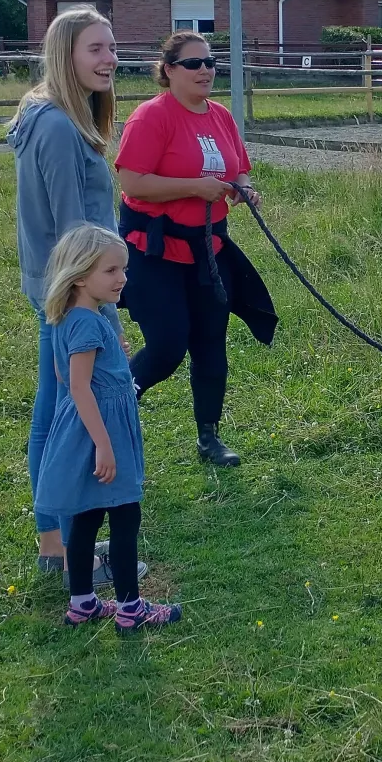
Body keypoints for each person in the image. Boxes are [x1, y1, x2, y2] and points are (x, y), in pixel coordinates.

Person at [9, 6, 138, 585]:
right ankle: (63, 547)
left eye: (112, 47)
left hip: (59, 286)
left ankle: (55, 539)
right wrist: (104, 312)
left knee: (53, 406)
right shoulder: (59, 126)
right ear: (65, 55)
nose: (110, 59)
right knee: (61, 414)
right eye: (96, 49)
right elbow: (70, 231)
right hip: (70, 292)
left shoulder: (52, 115)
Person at [114, 31, 276, 466]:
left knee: (210, 343)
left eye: (209, 63)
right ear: (169, 70)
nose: (205, 70)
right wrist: (195, 188)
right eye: (193, 63)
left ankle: (209, 437)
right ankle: (107, 413)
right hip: (154, 251)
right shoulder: (151, 117)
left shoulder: (220, 116)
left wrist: (243, 189)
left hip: (208, 249)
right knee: (167, 345)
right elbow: (132, 182)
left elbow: (239, 168)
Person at [35, 225, 181, 631]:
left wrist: (111, 356)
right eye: (112, 270)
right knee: (125, 516)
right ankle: (131, 609)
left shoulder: (70, 318)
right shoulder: (87, 324)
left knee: (87, 515)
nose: (123, 278)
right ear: (80, 275)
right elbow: (79, 385)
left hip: (84, 429)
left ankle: (82, 602)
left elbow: (64, 376)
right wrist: (103, 443)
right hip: (102, 432)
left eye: (124, 269)